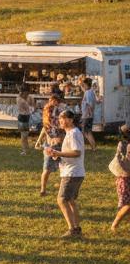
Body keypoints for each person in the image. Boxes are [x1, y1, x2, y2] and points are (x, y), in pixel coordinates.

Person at [46, 109, 86, 239]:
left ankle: (72, 229)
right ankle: (77, 229)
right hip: (73, 171)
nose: (60, 121)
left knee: (62, 199)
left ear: (70, 120)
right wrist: (55, 155)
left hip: (72, 173)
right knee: (70, 201)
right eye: (59, 119)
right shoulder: (70, 133)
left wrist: (58, 153)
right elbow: (71, 153)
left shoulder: (73, 133)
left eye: (62, 118)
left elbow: (77, 152)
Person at [110, 125, 130, 233]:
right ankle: (114, 224)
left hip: (123, 177)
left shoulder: (122, 143)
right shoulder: (126, 146)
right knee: (127, 205)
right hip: (125, 179)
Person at [79, 77, 99, 151]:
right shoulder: (90, 91)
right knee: (86, 132)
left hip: (87, 115)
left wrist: (88, 113)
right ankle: (91, 147)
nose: (82, 86)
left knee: (87, 132)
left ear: (86, 84)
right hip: (88, 115)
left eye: (83, 84)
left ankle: (94, 147)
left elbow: (90, 104)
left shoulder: (88, 93)